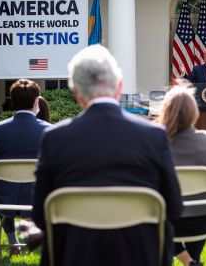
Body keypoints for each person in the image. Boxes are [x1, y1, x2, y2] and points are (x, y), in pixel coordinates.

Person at [31, 45, 183, 266]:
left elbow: (39, 215)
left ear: (77, 93)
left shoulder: (54, 139)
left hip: (75, 256)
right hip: (140, 255)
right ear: (119, 87)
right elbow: (175, 207)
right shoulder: (154, 136)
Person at [157, 84, 206, 266]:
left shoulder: (156, 141)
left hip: (168, 220)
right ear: (194, 111)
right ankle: (193, 260)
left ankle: (189, 261)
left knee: (156, 218)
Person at [0, 79, 51, 255]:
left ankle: (13, 242)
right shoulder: (50, 131)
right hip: (37, 198)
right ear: (37, 100)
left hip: (4, 198)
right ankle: (32, 232)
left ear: (12, 101)